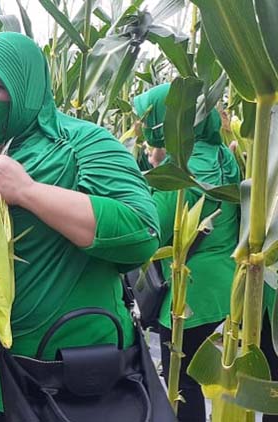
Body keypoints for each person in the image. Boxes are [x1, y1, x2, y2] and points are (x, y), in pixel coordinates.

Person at [0, 32, 162, 420]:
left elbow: (141, 233)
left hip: (72, 387)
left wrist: (27, 191)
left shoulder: (83, 145)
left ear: (27, 85)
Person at [133, 84, 241, 422]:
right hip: (223, 284)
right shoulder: (220, 154)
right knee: (195, 374)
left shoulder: (185, 170)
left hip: (189, 296)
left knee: (181, 379)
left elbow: (153, 228)